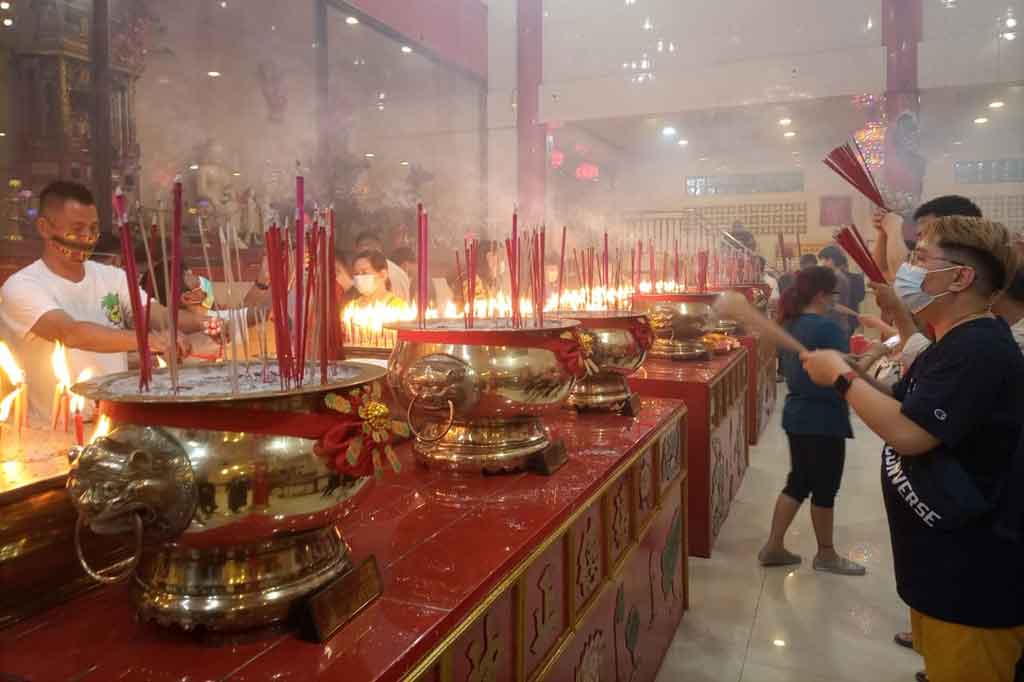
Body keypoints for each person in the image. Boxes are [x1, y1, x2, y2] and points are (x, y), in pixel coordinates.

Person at [802, 216, 1024, 682]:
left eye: (921, 258)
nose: (908, 267)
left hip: (975, 575)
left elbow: (910, 435)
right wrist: (856, 375)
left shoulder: (981, 346)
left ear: (961, 277)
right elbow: (907, 406)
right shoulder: (954, 339)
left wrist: (841, 381)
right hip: (941, 563)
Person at [0, 181, 196, 426]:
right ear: (44, 228)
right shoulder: (22, 286)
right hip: (51, 433)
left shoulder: (112, 277)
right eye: (77, 228)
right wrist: (150, 341)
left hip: (112, 425)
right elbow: (70, 333)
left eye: (93, 229)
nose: (87, 238)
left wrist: (209, 322)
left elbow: (155, 314)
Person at [758, 266, 866, 576]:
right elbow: (846, 371)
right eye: (833, 294)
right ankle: (827, 555)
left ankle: (774, 546)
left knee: (799, 480)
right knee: (824, 488)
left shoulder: (790, 323)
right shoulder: (827, 328)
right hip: (824, 417)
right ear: (821, 294)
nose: (835, 300)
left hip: (797, 413)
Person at [872, 195, 983, 282]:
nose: (920, 243)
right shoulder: (928, 258)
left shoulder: (957, 265)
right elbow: (883, 271)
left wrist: (893, 226)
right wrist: (884, 232)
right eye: (919, 236)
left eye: (925, 234)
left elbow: (903, 276)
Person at [354, 230, 410, 301]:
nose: (359, 277)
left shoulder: (393, 273)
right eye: (357, 274)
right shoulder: (355, 305)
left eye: (364, 273)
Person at [817, 246, 852, 336]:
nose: (821, 263)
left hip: (835, 326)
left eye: (823, 259)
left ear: (831, 260)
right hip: (835, 324)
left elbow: (834, 304)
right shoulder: (835, 276)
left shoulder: (837, 278)